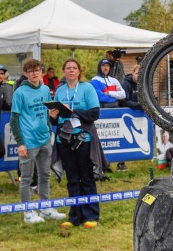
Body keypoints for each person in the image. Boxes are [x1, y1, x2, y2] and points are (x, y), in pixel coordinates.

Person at [11, 59, 66, 223]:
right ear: (26, 73)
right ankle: (28, 212)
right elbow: (14, 120)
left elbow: (45, 111)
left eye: (37, 70)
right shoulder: (19, 93)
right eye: (31, 71)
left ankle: (45, 208)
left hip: (44, 139)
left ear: (41, 71)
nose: (35, 73)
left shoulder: (45, 89)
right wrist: (20, 142)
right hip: (28, 141)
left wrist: (49, 128)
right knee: (26, 178)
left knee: (45, 175)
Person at [51, 59, 101, 229]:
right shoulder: (60, 90)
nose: (71, 71)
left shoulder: (87, 88)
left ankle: (91, 215)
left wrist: (73, 112)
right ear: (64, 72)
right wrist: (53, 116)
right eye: (68, 68)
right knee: (72, 178)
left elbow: (95, 113)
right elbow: (56, 118)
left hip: (83, 139)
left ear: (79, 72)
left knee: (86, 177)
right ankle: (74, 217)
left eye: (74, 68)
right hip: (64, 138)